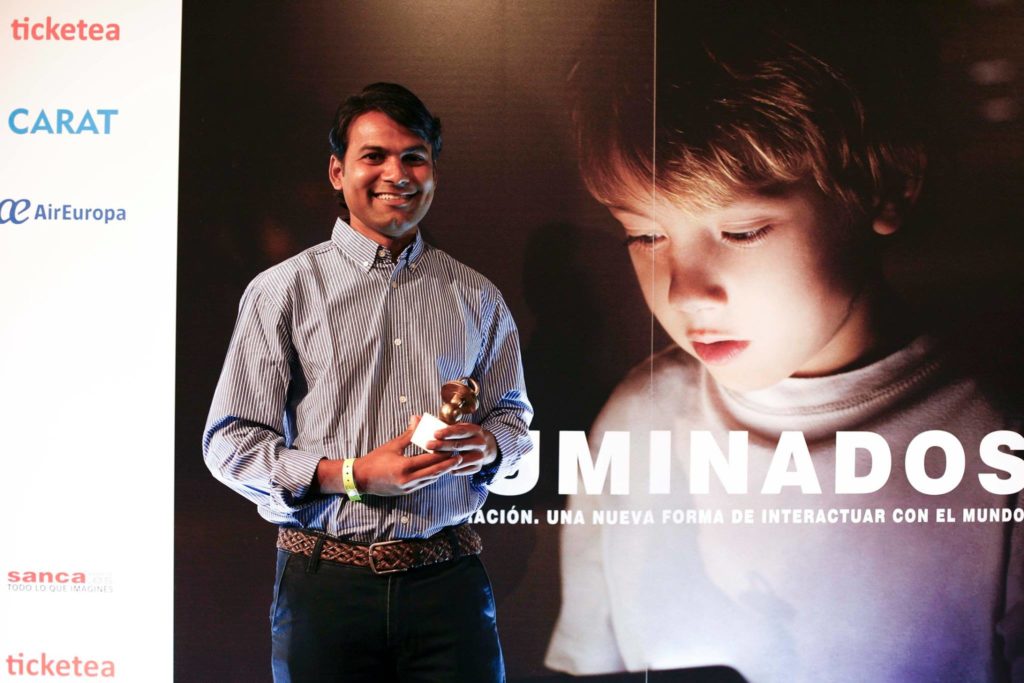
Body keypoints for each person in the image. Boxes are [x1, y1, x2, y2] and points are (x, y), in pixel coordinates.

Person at [545, 6, 1023, 683]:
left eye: (741, 232)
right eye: (646, 235)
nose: (684, 293)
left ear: (886, 184)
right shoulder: (632, 425)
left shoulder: (997, 447)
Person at [204, 82, 532, 683]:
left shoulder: (478, 297)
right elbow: (229, 444)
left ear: (433, 172)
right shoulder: (282, 290)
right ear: (338, 171)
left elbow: (512, 418)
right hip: (325, 588)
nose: (396, 174)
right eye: (374, 156)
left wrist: (490, 446)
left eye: (414, 157)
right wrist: (353, 475)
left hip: (449, 586)